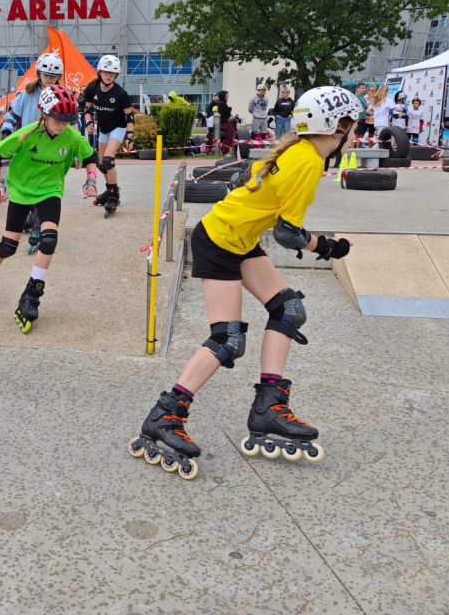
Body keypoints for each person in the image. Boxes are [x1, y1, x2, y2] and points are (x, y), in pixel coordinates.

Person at [128, 86, 362, 480]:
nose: (356, 132)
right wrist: (329, 246)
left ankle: (269, 407)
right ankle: (164, 416)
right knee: (227, 339)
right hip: (219, 241)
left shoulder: (298, 152)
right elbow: (289, 234)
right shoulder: (308, 162)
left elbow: (248, 179)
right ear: (338, 125)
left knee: (289, 308)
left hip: (237, 239)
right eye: (355, 125)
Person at [0, 85, 98, 333]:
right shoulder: (27, 133)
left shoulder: (72, 136)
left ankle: (32, 294)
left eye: (67, 120)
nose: (63, 125)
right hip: (21, 191)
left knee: (49, 240)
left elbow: (90, 157)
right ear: (43, 114)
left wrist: (91, 179)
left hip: (49, 191)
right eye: (58, 119)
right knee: (7, 247)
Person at [0, 53, 66, 244]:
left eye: (53, 77)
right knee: (25, 183)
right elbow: (13, 114)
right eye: (46, 75)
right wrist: (6, 129)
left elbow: (70, 121)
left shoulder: (61, 94)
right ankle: (28, 216)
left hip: (51, 146)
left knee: (44, 186)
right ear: (38, 74)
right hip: (28, 144)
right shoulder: (28, 93)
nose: (49, 79)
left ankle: (39, 227)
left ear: (58, 78)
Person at [82, 55, 135, 216]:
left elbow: (129, 117)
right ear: (100, 72)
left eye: (112, 73)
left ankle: (113, 194)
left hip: (118, 128)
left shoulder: (120, 93)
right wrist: (89, 122)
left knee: (108, 159)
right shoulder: (92, 88)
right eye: (106, 72)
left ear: (116, 75)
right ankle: (110, 191)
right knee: (101, 164)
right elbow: (87, 109)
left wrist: (130, 136)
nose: (108, 75)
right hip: (103, 128)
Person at [352, 82, 374, 147]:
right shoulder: (356, 97)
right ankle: (352, 151)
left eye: (364, 88)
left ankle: (357, 151)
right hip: (359, 118)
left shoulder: (363, 97)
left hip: (364, 118)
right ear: (358, 88)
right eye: (361, 88)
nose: (363, 89)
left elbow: (364, 106)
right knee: (356, 135)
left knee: (360, 135)